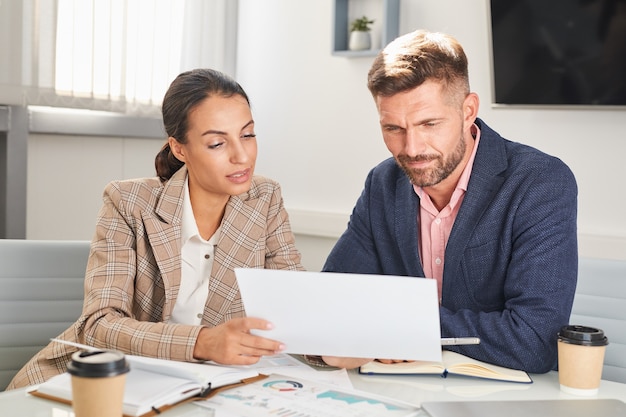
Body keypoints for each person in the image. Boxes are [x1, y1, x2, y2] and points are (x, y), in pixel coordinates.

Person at [7, 68, 304, 389]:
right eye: (218, 143)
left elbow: (292, 304)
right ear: (179, 149)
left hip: (206, 386)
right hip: (108, 378)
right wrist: (202, 342)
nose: (242, 155)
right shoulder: (127, 201)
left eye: (247, 135)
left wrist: (335, 348)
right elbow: (98, 324)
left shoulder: (265, 198)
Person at [320, 30, 578, 373]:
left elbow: (534, 340)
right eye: (393, 128)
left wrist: (406, 328)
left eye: (429, 123)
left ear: (468, 110)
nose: (411, 148)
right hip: (398, 388)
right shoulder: (383, 184)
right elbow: (331, 306)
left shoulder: (540, 183)